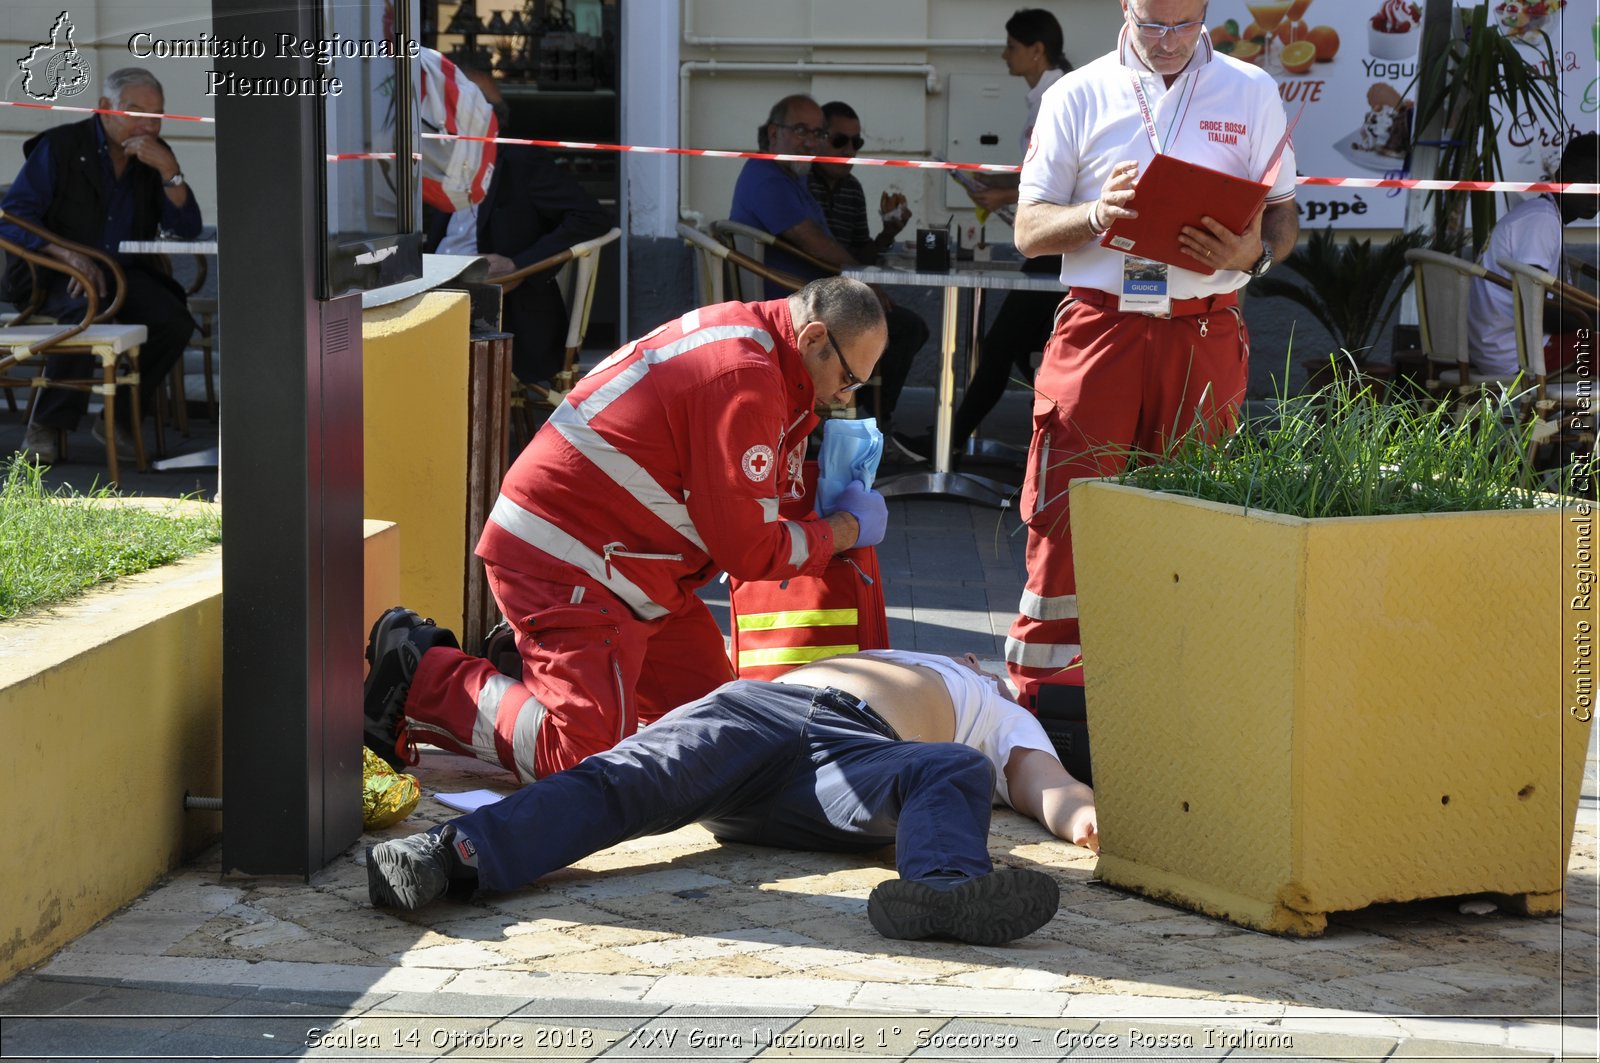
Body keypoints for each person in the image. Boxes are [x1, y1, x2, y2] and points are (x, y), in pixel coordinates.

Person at [364, 277, 893, 783]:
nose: (845, 398)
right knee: (583, 762)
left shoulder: (760, 351)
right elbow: (749, 550)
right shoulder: (746, 380)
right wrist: (842, 530)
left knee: (727, 736)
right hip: (571, 564)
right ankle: (421, 669)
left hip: (632, 569)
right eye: (849, 380)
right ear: (815, 337)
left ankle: (535, 668)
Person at [367, 649, 1099, 945]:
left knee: (953, 770)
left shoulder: (1007, 713)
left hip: (849, 761)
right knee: (623, 780)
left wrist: (1087, 819)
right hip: (758, 713)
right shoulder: (918, 655)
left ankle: (942, 892)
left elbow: (1051, 788)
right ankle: (449, 856)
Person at [1003, 0, 1299, 702]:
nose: (1167, 43)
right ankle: (1045, 700)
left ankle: (1179, 695)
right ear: (1125, 12)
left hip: (1204, 328)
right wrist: (1095, 215)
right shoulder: (1077, 92)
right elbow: (1027, 229)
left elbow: (1283, 213)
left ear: (1205, 15)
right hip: (1101, 327)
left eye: (1184, 26)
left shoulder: (1251, 88)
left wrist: (1255, 252)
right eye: (1152, 26)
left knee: (1194, 514)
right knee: (1069, 510)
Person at [1, 67, 201, 466]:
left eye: (157, 114)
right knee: (85, 309)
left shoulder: (154, 155)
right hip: (52, 273)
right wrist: (71, 257)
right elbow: (13, 216)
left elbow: (188, 227)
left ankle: (123, 417)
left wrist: (169, 171)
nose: (148, 123)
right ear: (105, 108)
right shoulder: (61, 145)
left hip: (122, 274)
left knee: (173, 320)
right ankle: (48, 425)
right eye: (136, 111)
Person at [730, 94, 929, 457]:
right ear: (774, 133)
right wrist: (860, 284)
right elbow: (814, 242)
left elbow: (833, 246)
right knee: (897, 327)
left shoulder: (794, 178)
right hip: (794, 306)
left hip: (810, 296)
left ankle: (857, 424)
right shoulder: (769, 176)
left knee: (902, 324)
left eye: (817, 133)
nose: (810, 141)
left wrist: (870, 260)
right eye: (801, 130)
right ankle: (858, 429)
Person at [927, 8, 1074, 462]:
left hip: (1060, 247)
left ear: (1037, 50)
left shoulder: (1059, 96)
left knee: (1004, 347)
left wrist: (1002, 191)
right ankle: (1059, 435)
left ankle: (947, 444)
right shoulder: (1048, 94)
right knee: (1022, 348)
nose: (1004, 55)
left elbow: (1061, 179)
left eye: (1011, 46)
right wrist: (1000, 190)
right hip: (1053, 243)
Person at [423, 64, 612, 388]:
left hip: (495, 309)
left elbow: (591, 218)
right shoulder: (437, 164)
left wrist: (520, 265)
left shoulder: (518, 163)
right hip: (436, 288)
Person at [1467, 133, 1600, 379]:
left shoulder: (1541, 214)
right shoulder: (1541, 220)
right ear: (1561, 176)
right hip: (1518, 353)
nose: (1596, 193)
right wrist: (1591, 319)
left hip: (1505, 346)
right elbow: (1535, 306)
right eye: (1589, 181)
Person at [806, 101, 911, 265]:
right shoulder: (800, 180)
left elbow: (861, 258)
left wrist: (887, 234)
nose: (849, 151)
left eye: (856, 143)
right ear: (818, 138)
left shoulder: (852, 188)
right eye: (839, 140)